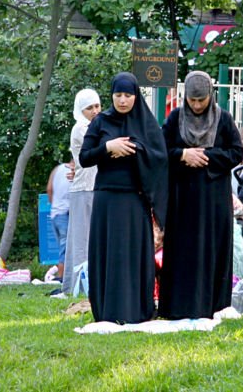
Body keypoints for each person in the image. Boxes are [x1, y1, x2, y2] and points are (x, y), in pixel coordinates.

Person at [79, 72, 168, 324]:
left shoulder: (146, 123)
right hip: (107, 198)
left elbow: (159, 157)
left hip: (134, 199)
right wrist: (108, 148)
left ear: (135, 96)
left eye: (128, 95)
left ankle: (136, 311)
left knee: (132, 256)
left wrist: (135, 149)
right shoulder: (101, 121)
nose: (122, 100)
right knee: (109, 254)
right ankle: (108, 311)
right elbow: (85, 157)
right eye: (118, 95)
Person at [159, 70, 243, 320]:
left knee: (211, 248)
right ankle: (178, 307)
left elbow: (236, 152)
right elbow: (161, 150)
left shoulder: (223, 119)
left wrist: (207, 156)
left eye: (201, 100)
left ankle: (212, 307)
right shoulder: (175, 118)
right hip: (183, 199)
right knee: (183, 250)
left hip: (213, 200)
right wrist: (183, 155)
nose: (196, 106)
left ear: (211, 96)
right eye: (192, 100)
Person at [62, 88, 101, 296]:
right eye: (89, 108)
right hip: (84, 189)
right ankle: (81, 286)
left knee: (86, 238)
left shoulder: (95, 126)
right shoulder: (81, 128)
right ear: (80, 110)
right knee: (81, 240)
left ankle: (81, 284)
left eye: (97, 106)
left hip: (93, 187)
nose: (94, 111)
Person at [46, 158, 74, 282]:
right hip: (66, 213)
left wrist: (55, 205)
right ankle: (62, 278)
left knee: (62, 247)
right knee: (66, 248)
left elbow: (49, 189)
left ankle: (62, 276)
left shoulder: (57, 169)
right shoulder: (74, 173)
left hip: (55, 214)